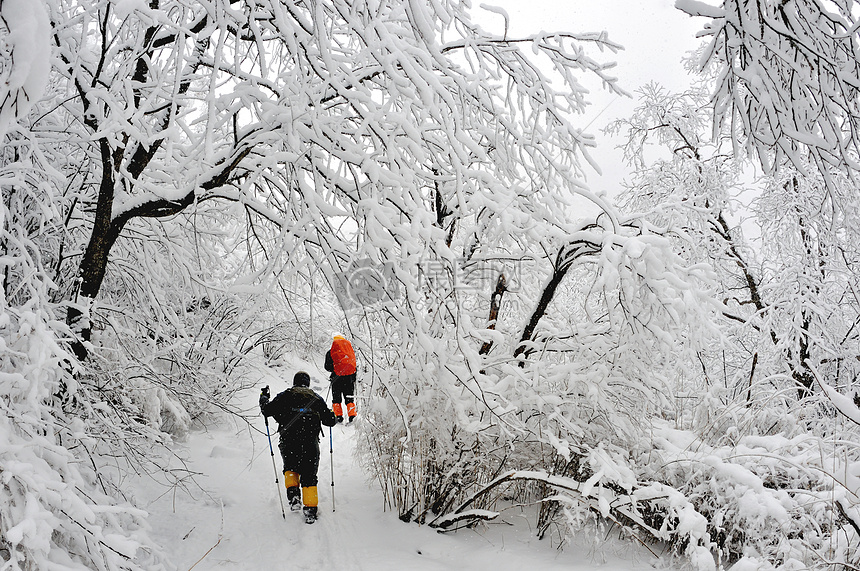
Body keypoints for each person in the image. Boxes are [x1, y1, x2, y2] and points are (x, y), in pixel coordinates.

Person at [259, 372, 336, 524]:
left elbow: (267, 411)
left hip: (289, 442)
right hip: (310, 444)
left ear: (294, 383)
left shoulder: (285, 396)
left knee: (290, 467)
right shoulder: (315, 398)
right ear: (307, 384)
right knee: (309, 475)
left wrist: (263, 398)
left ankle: (293, 496)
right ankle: (310, 511)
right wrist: (331, 414)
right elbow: (330, 421)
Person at [324, 334, 357, 422]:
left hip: (336, 378)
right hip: (349, 378)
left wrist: (334, 369)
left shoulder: (330, 352)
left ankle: (338, 416)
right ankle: (352, 416)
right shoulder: (350, 352)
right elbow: (354, 366)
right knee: (349, 398)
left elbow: (327, 367)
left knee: (336, 398)